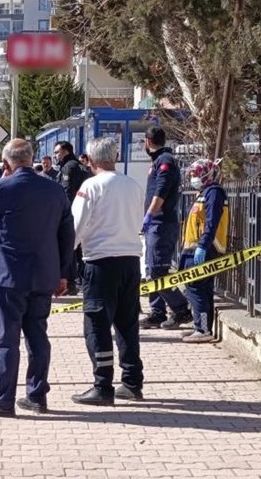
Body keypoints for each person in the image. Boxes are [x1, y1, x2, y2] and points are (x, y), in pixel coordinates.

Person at [0, 139, 75, 417]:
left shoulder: (2, 187)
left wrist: (1, 182)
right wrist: (64, 273)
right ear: (32, 159)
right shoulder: (55, 190)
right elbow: (67, 234)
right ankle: (37, 396)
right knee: (38, 337)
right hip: (44, 275)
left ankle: (3, 400)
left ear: (7, 163)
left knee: (6, 340)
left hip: (8, 278)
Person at [69, 137, 145, 405]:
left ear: (89, 160)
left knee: (97, 324)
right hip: (130, 260)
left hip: (100, 262)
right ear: (115, 158)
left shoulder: (90, 186)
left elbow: (75, 226)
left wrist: (64, 258)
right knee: (127, 324)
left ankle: (103, 385)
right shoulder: (132, 185)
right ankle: (132, 381)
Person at [140, 127, 191, 329]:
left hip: (161, 224)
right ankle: (157, 312)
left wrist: (150, 214)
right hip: (157, 224)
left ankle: (180, 310)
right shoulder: (159, 160)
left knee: (158, 270)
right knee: (152, 268)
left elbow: (162, 190)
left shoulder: (165, 161)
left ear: (148, 142)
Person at [177, 159, 229, 343]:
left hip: (204, 249)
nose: (193, 178)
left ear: (207, 174)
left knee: (195, 287)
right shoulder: (204, 192)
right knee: (202, 288)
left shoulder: (214, 193)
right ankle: (203, 327)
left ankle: (203, 328)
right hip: (194, 249)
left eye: (195, 175)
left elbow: (211, 222)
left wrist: (202, 245)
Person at [54, 141, 87, 295]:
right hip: (79, 213)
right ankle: (78, 282)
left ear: (66, 151)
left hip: (71, 215)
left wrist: (61, 214)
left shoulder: (69, 167)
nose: (56, 155)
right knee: (78, 251)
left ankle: (72, 283)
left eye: (57, 152)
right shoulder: (77, 165)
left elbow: (66, 193)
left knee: (70, 249)